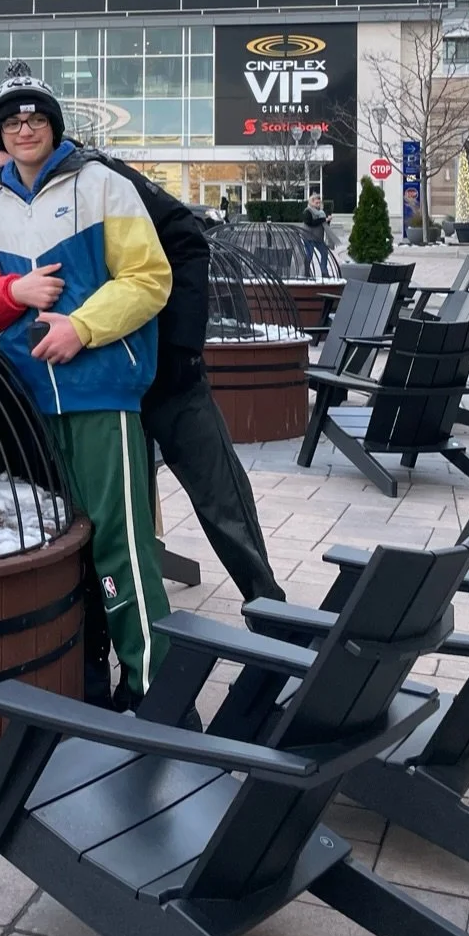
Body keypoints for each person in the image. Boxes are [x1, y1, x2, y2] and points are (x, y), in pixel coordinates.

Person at [0, 60, 174, 708]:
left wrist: (81, 328)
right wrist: (12, 290)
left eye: (34, 117)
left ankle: (153, 690)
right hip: (27, 401)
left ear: (52, 124)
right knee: (58, 545)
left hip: (99, 393)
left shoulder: (103, 186)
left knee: (121, 546)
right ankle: (80, 683)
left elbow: (148, 279)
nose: (24, 127)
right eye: (12, 119)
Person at [118, 164, 285, 608]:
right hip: (103, 384)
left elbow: (188, 242)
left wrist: (181, 344)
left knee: (220, 495)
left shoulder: (102, 175)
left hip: (170, 371)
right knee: (117, 515)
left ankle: (269, 609)